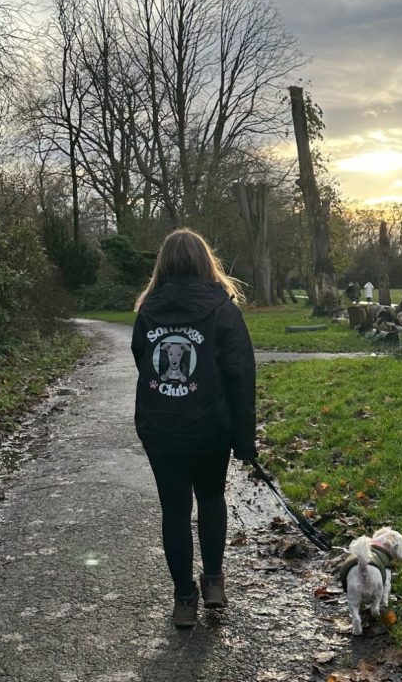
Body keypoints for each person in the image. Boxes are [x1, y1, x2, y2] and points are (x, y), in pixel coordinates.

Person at [131, 228, 256, 629]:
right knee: (211, 499)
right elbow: (241, 374)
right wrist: (244, 437)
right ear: (206, 261)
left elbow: (142, 359)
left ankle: (184, 599)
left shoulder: (148, 310)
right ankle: (214, 581)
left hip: (162, 428)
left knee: (174, 510)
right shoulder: (222, 309)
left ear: (163, 264)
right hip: (210, 428)